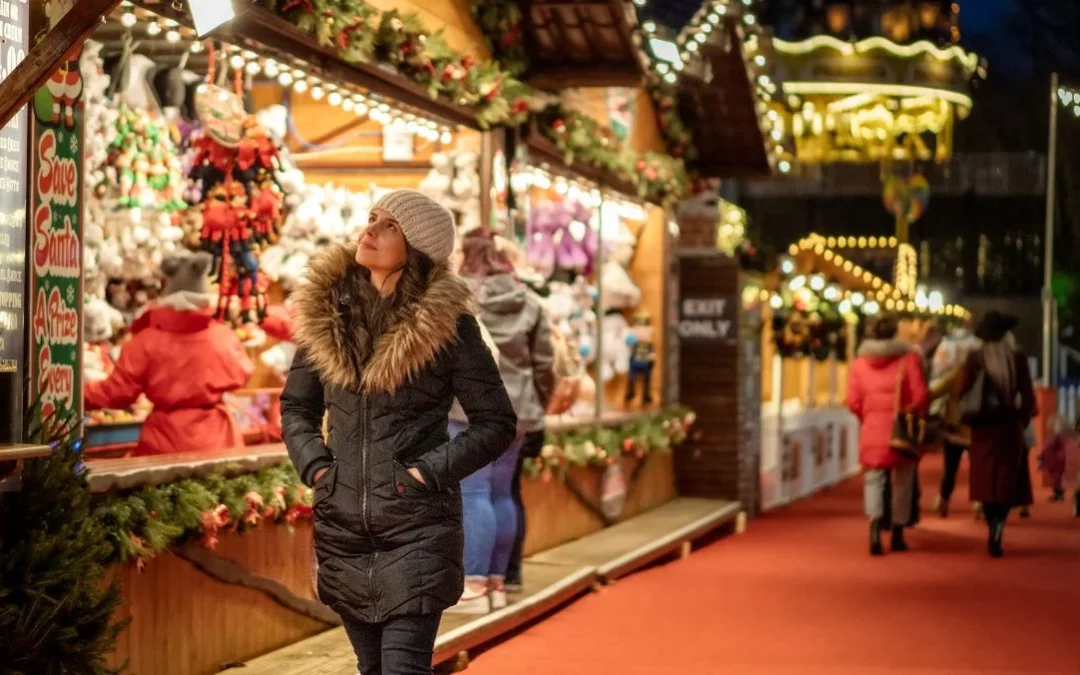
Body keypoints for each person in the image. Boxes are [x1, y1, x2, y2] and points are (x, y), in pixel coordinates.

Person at [281, 189, 517, 675]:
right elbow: (296, 406)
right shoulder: (328, 319)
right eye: (371, 218)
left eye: (389, 225)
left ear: (418, 247)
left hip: (417, 526)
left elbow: (496, 423)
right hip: (344, 528)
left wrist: (427, 473)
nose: (369, 230)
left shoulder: (448, 326)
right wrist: (319, 469)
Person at [447, 228, 555, 613]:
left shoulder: (455, 296)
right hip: (519, 409)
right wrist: (537, 405)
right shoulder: (528, 300)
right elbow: (544, 364)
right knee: (501, 492)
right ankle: (496, 582)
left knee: (473, 493)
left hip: (468, 409)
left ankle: (473, 586)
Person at [85, 252, 254, 456]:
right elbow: (244, 372)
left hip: (165, 444)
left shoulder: (146, 342)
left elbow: (116, 393)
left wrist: (74, 394)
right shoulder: (224, 337)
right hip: (220, 443)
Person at [846, 313, 929, 556]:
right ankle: (897, 533)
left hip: (872, 428)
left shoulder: (859, 363)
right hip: (900, 429)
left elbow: (853, 401)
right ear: (894, 332)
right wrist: (911, 413)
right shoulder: (908, 358)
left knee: (874, 480)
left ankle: (874, 528)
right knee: (903, 481)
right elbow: (921, 395)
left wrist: (868, 416)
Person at [959, 311, 1036, 558]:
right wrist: (1021, 420)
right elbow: (1028, 396)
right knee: (1005, 478)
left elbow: (963, 392)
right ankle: (999, 526)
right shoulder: (1017, 358)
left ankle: (991, 524)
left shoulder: (974, 357)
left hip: (982, 427)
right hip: (1008, 426)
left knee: (985, 477)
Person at [927, 325, 979, 517]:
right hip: (976, 428)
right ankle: (979, 503)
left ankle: (943, 501)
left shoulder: (956, 373)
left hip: (955, 427)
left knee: (950, 468)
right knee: (977, 469)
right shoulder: (982, 374)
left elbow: (936, 391)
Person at [1038, 416, 1075, 502]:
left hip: (1058, 459)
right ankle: (1058, 493)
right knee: (1056, 477)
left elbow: (1052, 447)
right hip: (1057, 459)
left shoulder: (1059, 436)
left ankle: (1059, 493)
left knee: (1056, 477)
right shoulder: (1059, 435)